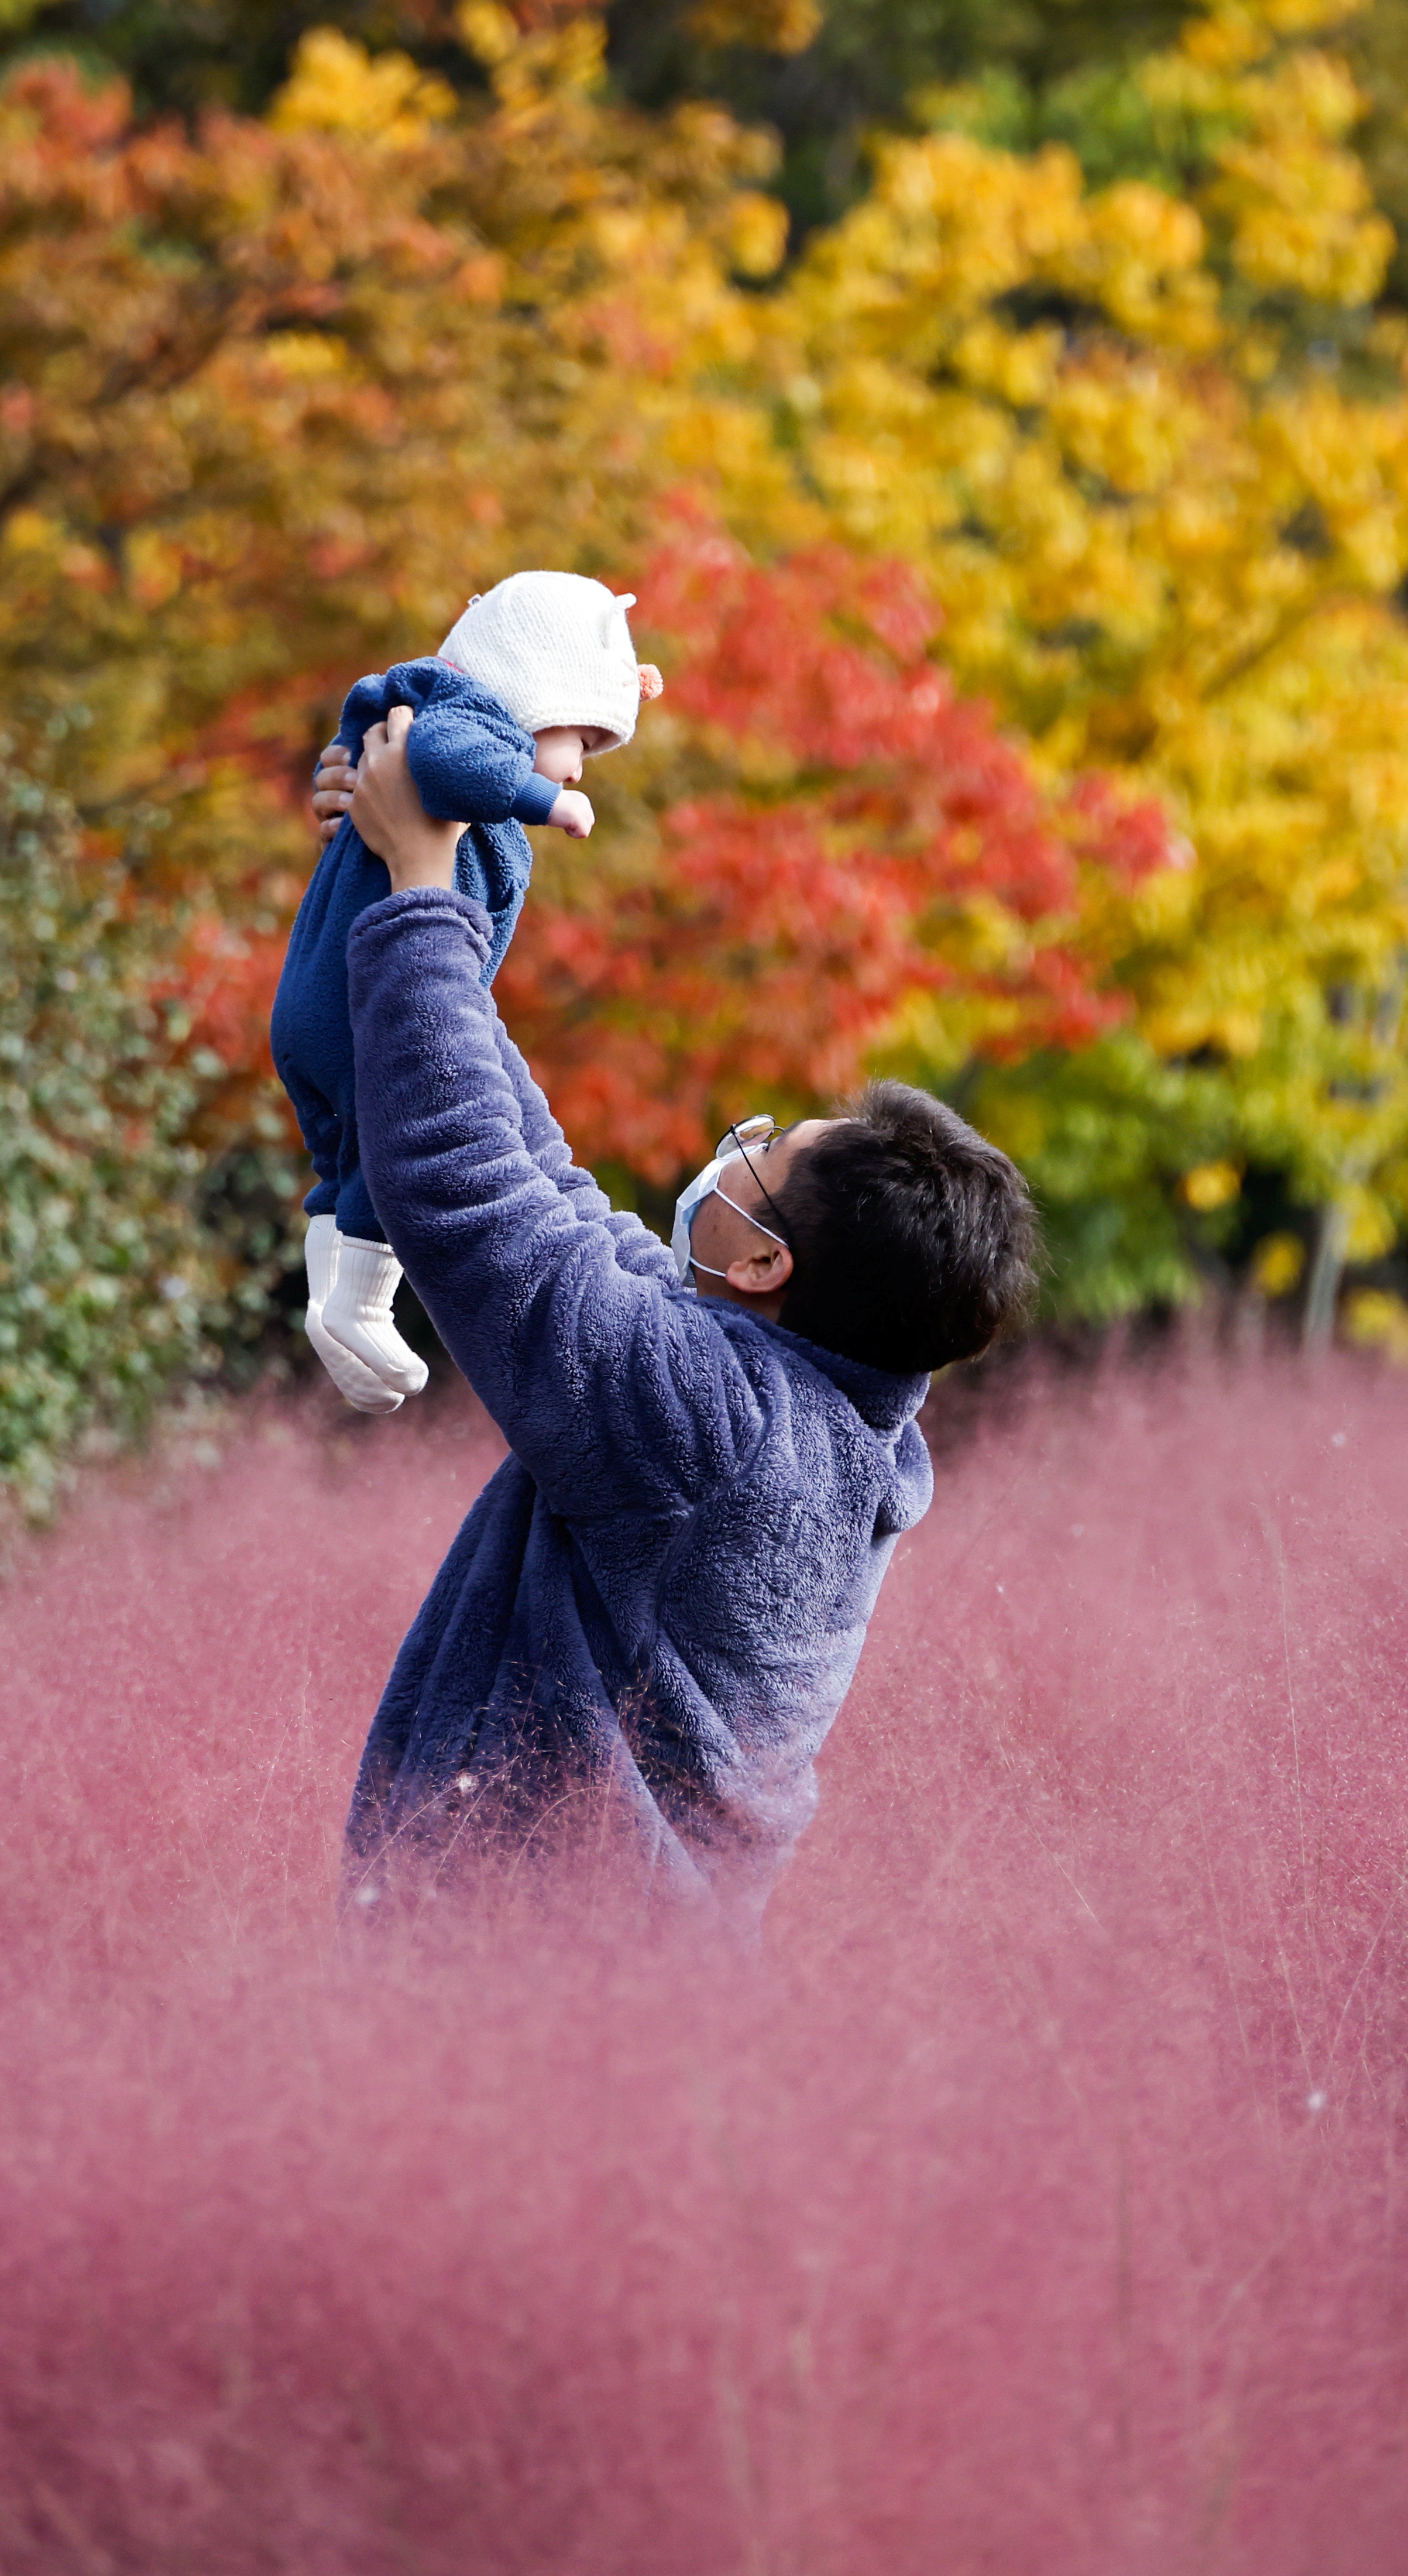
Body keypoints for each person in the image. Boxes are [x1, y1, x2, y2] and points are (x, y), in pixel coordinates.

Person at [312, 706, 1043, 1940]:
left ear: (762, 1259)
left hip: (541, 1980)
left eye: (768, 1152)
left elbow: (469, 1193)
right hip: (628, 1974)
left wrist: (424, 894)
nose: (742, 1137)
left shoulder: (711, 1424)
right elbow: (548, 1189)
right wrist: (412, 873)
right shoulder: (791, 1404)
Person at [268, 571, 665, 1417]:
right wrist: (547, 798)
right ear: (538, 695)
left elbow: (361, 712)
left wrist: (338, 771)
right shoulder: (469, 728)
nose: (582, 763)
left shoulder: (413, 699)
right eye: (583, 743)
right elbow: (456, 760)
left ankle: (327, 1294)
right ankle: (361, 1304)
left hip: (311, 999)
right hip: (362, 1006)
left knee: (339, 1156)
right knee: (386, 1135)